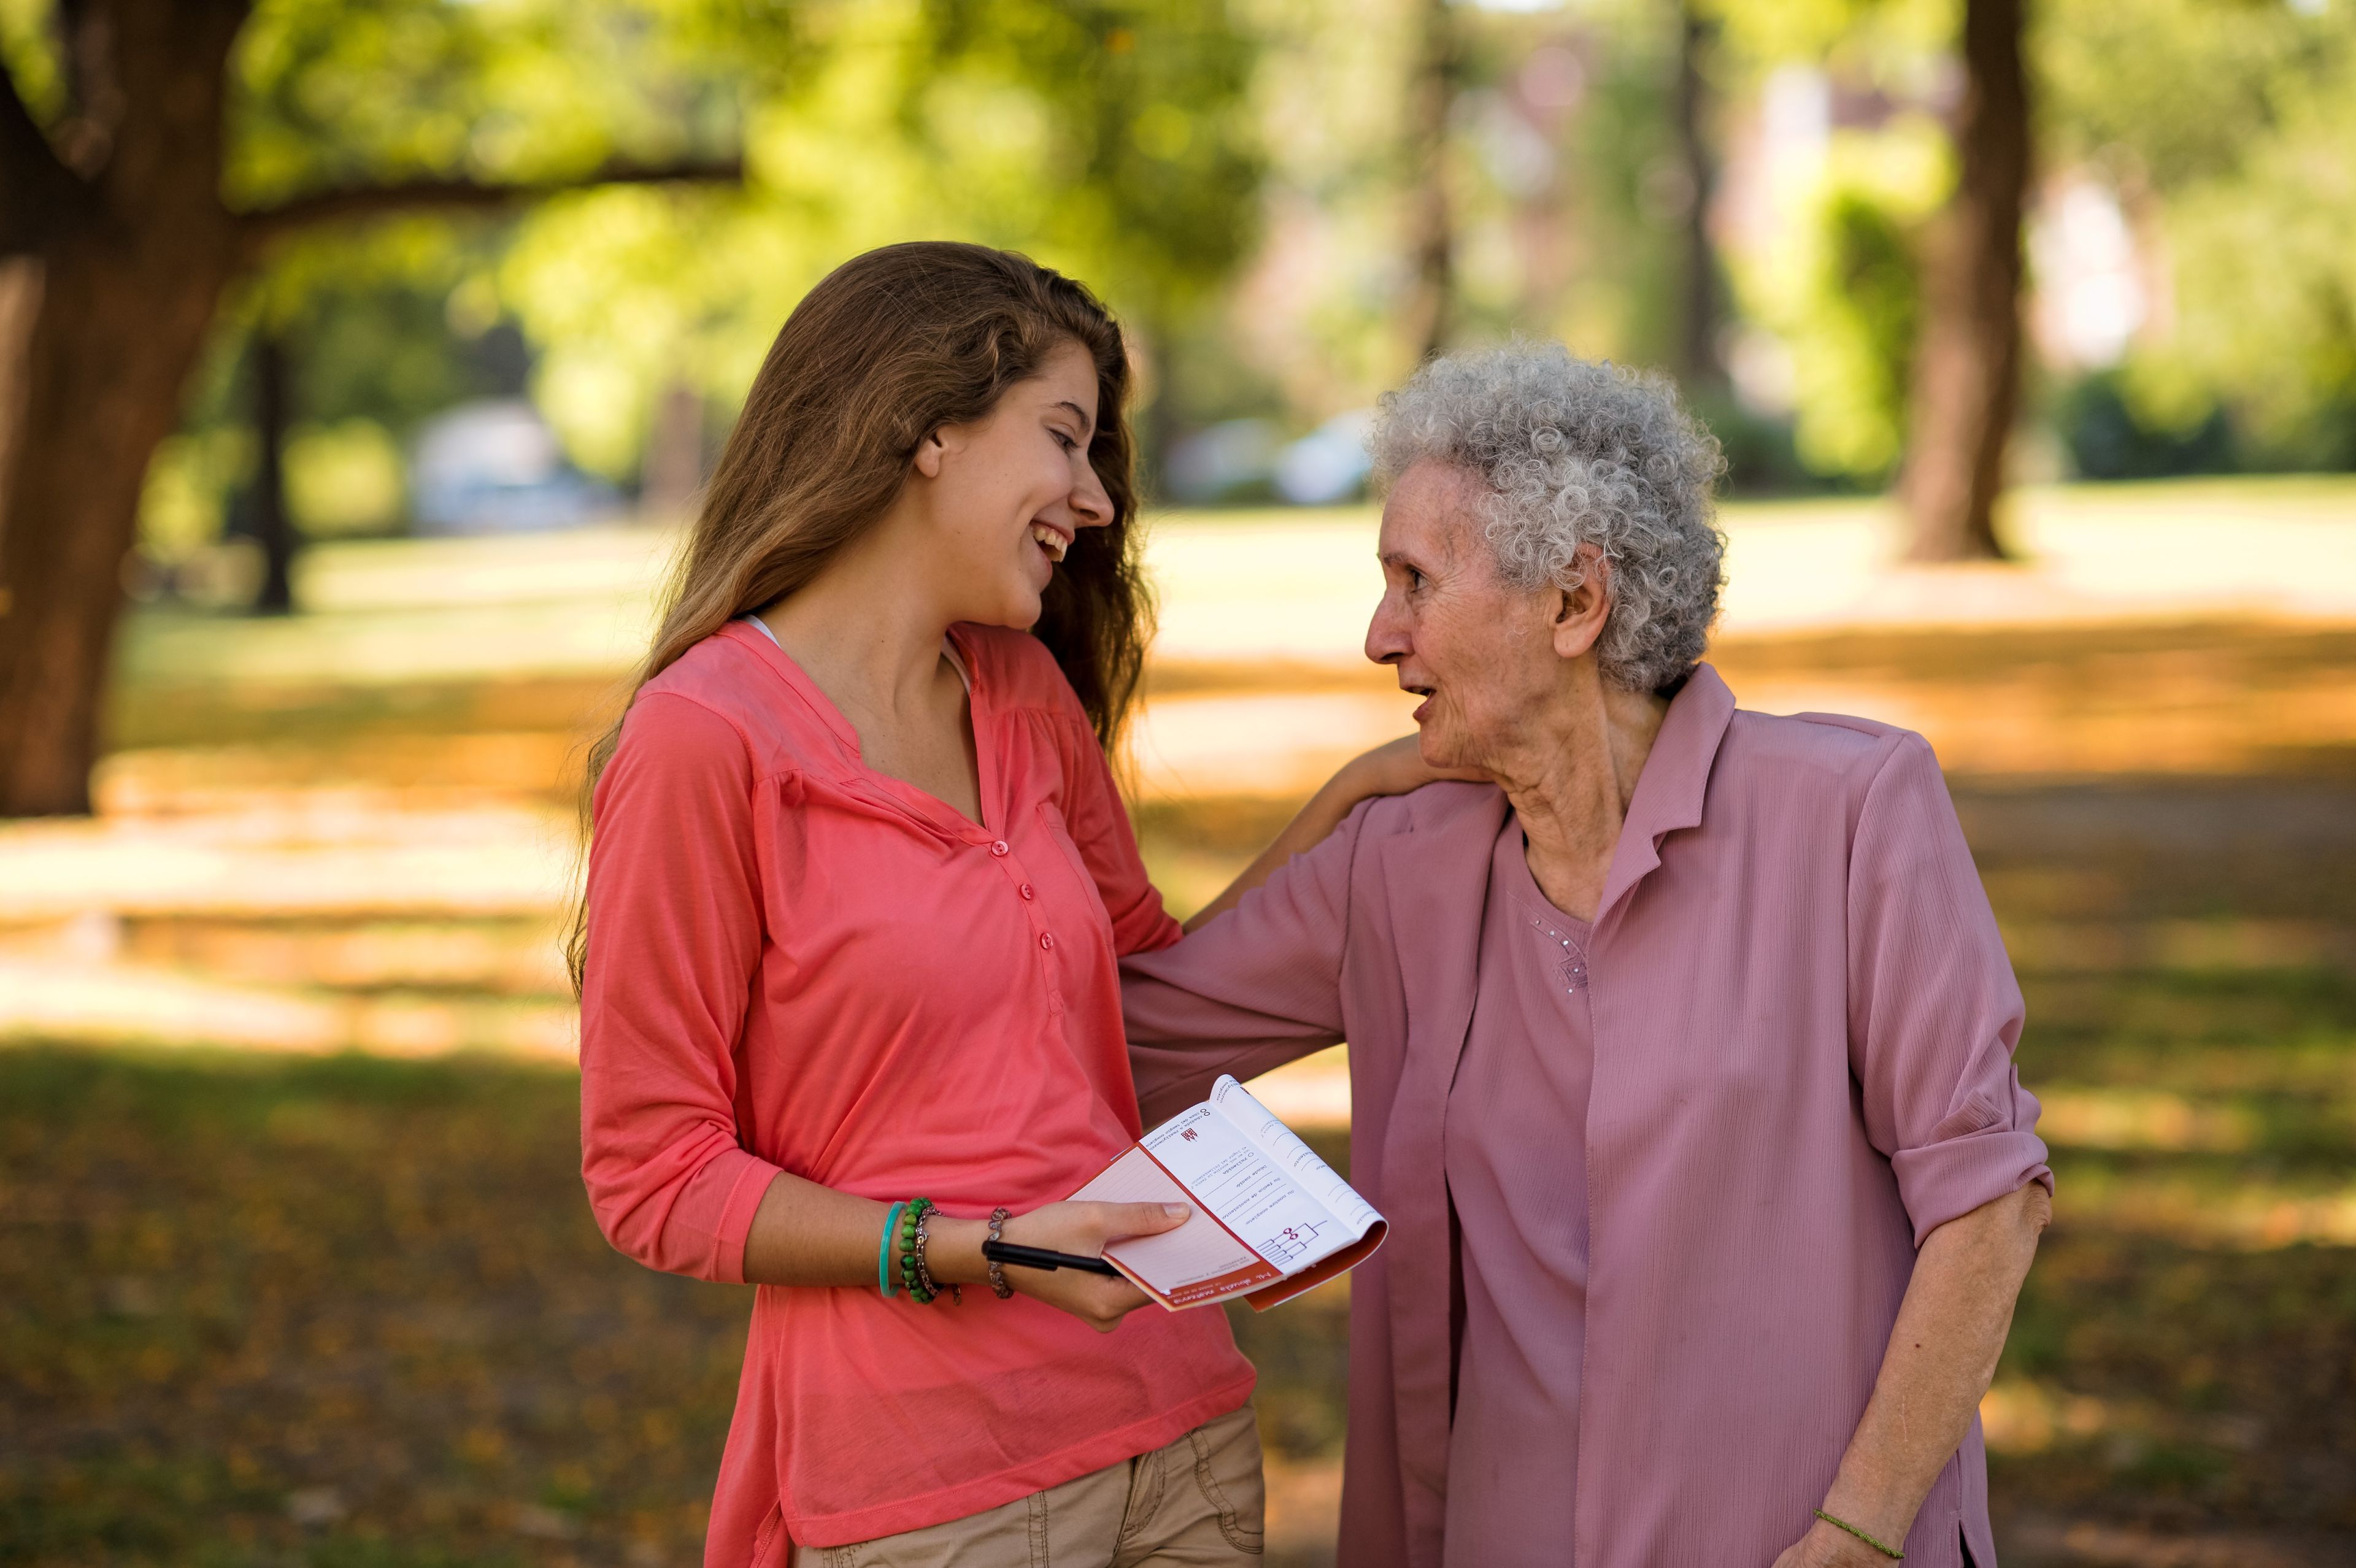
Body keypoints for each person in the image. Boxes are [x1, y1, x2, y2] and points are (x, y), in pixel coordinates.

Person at [1122, 344, 2055, 1568]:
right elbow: (1126, 1038)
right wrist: (1349, 795)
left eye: (1414, 580)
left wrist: (1858, 1532)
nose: (1376, 635)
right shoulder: (1400, 865)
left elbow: (1986, 1202)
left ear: (1574, 603)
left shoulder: (1850, 809)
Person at [572, 243, 1428, 1567]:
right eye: (1064, 437)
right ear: (931, 428)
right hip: (930, 1495)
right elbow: (653, 1178)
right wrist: (974, 1250)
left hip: (1180, 1435)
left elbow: (1147, 1013)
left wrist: (1365, 796)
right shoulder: (705, 743)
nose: (1092, 500)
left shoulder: (1019, 694)